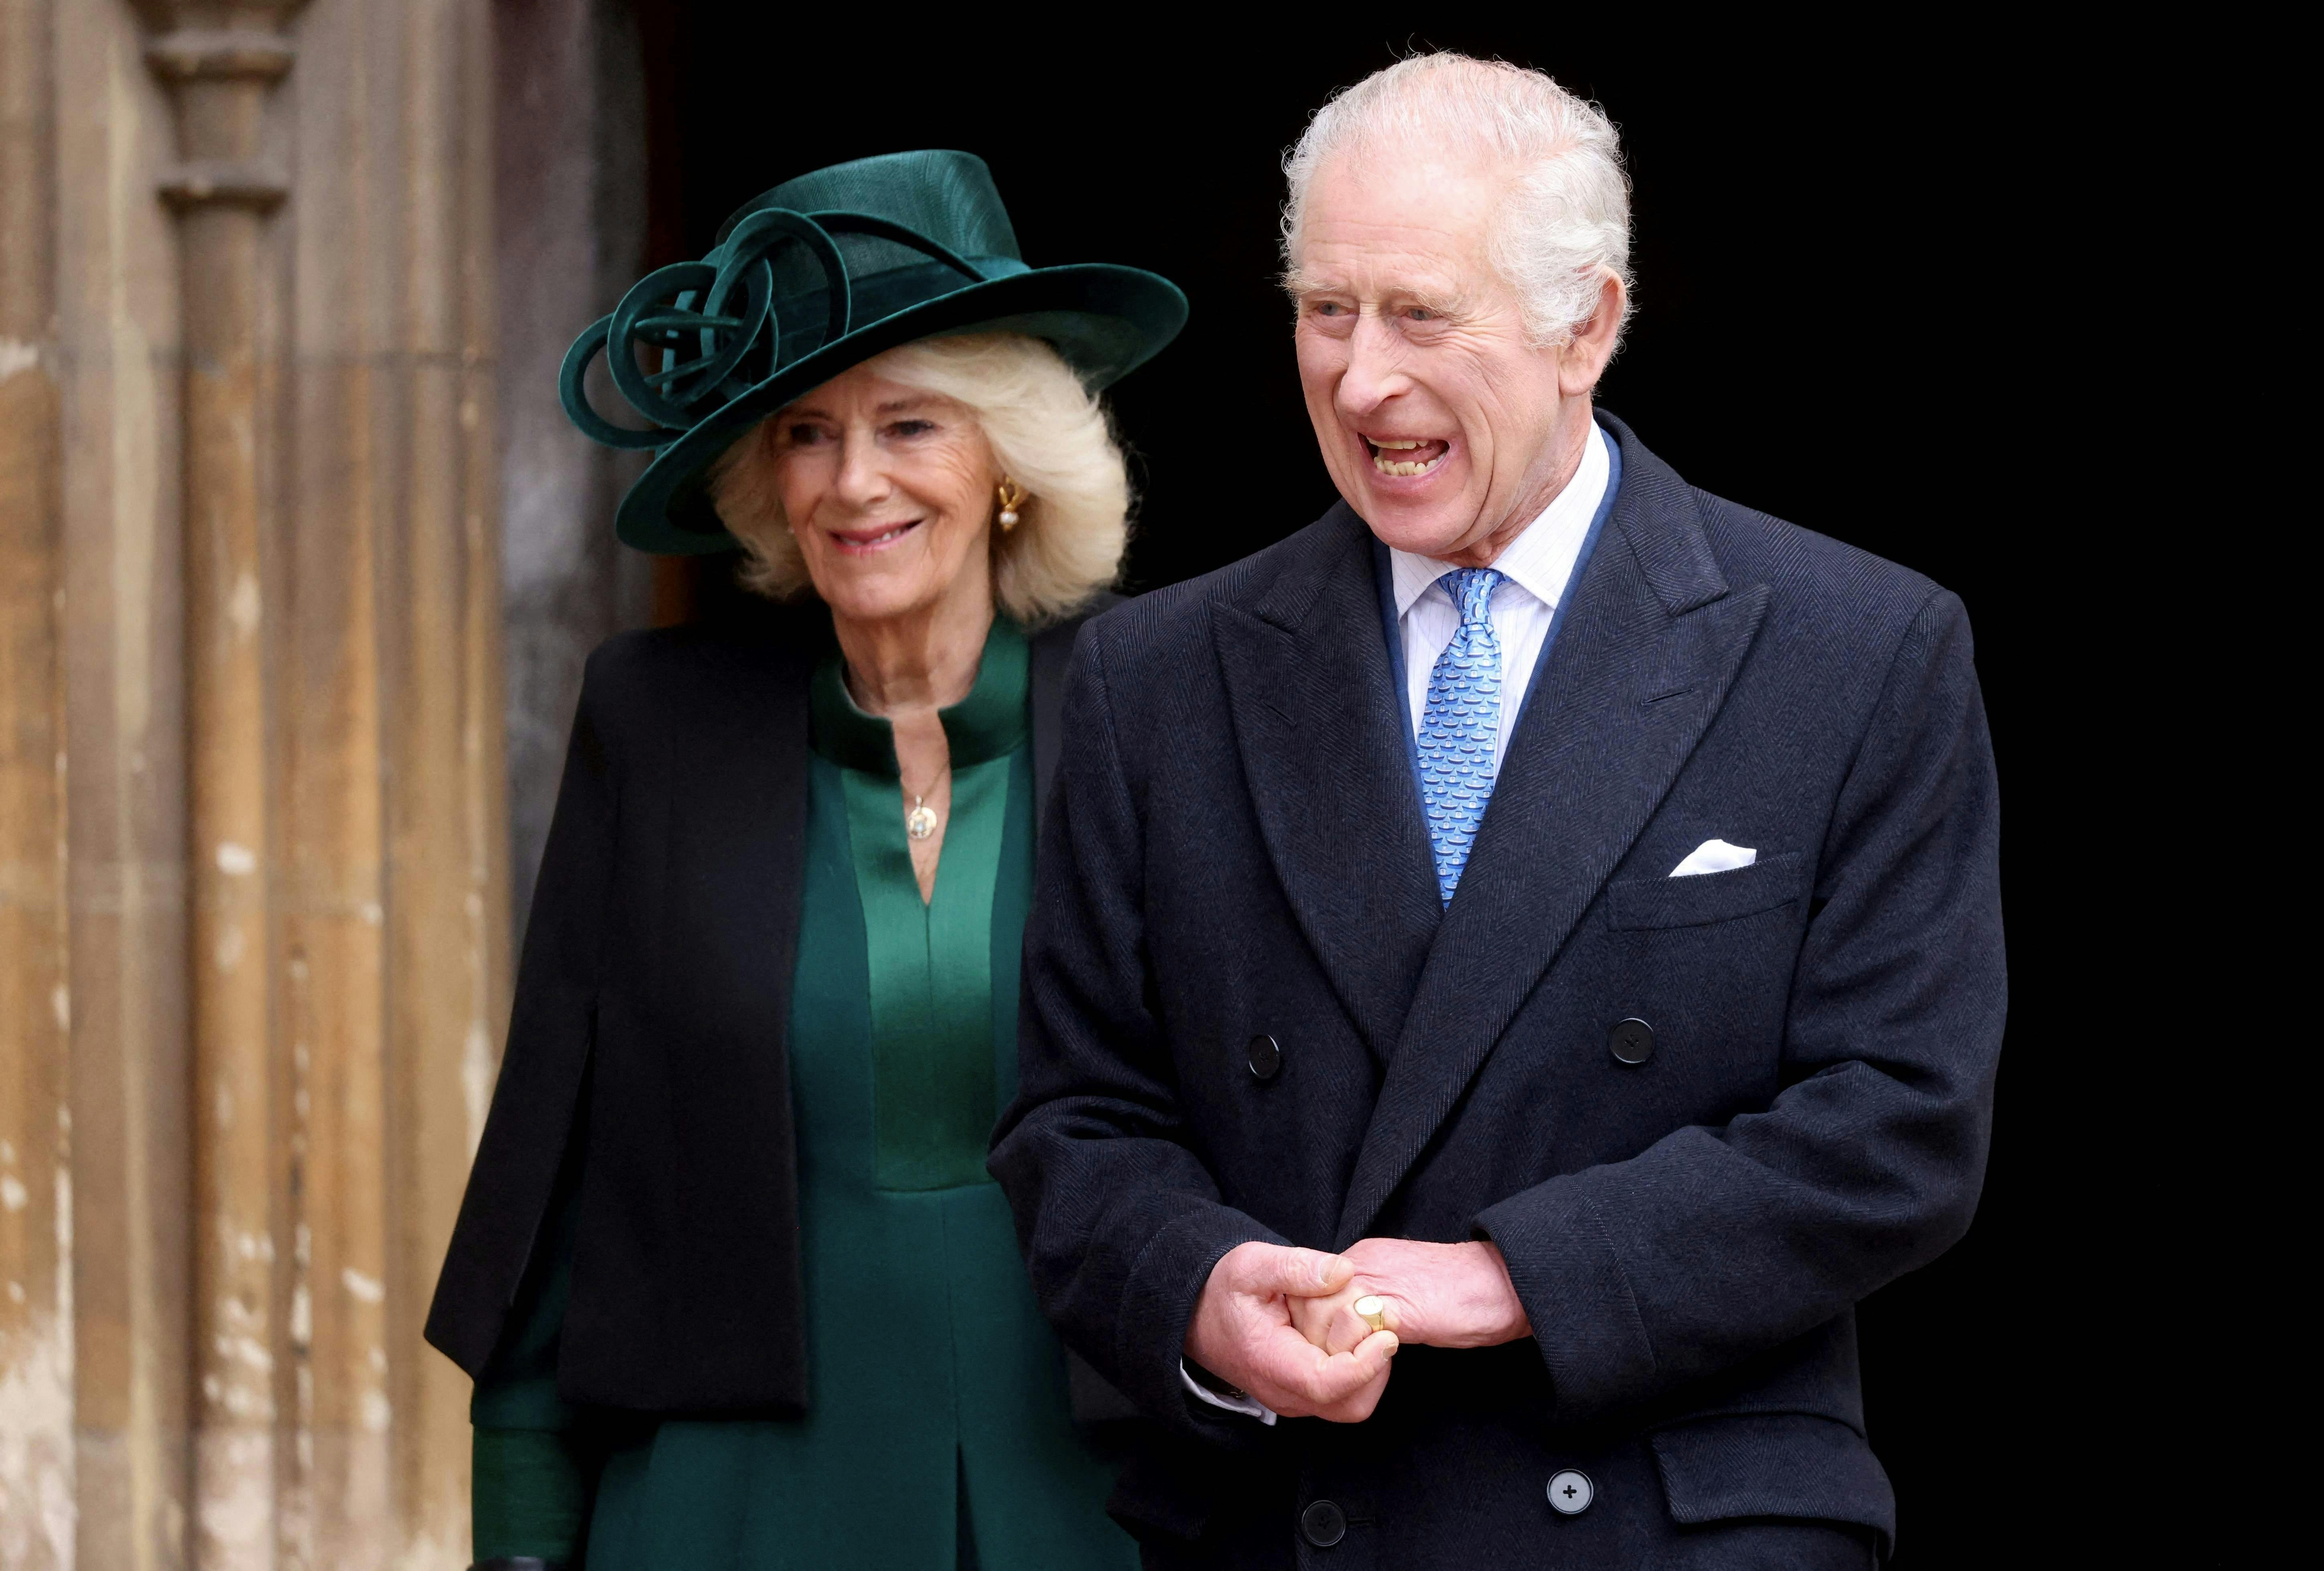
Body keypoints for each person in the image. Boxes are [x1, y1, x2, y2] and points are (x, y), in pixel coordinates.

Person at [990, 55, 2003, 1568]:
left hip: (1672, 1522)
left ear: (1585, 323)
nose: (1357, 378)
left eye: (1419, 315)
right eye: (1324, 312)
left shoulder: (1855, 650)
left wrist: (1514, 1272)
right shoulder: (1157, 676)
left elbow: (1899, 1123)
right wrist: (1202, 1291)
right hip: (1297, 1516)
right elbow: (1075, 1121)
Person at [426, 150, 1184, 1570]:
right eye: (806, 434)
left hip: (1093, 1493)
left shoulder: (1164, 706)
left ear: (1009, 459)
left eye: (910, 425)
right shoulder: (656, 725)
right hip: (734, 1501)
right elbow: (553, 1161)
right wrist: (519, 1536)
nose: (854, 484)